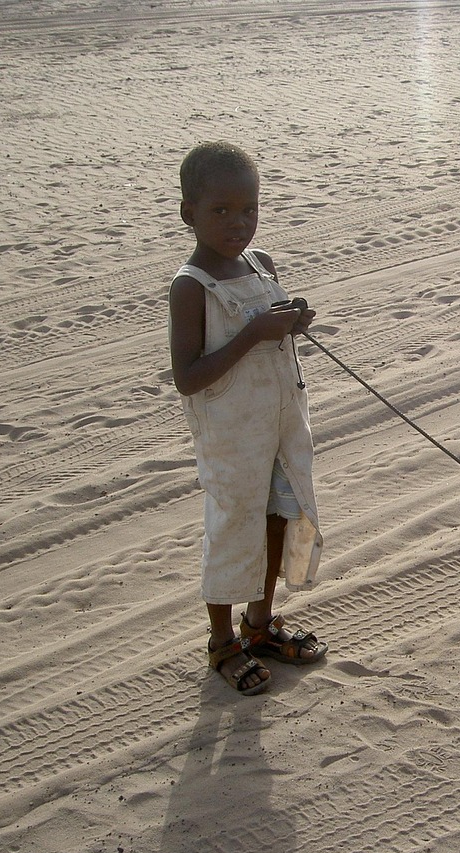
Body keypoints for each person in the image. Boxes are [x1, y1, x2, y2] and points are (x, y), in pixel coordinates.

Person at [168, 141, 327, 695]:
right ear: (189, 213)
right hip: (233, 435)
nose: (238, 223)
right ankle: (222, 642)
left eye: (249, 210)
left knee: (283, 515)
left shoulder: (263, 266)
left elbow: (272, 338)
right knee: (234, 526)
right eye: (221, 211)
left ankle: (258, 626)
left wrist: (290, 323)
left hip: (282, 422)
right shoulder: (191, 286)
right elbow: (188, 376)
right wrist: (254, 334)